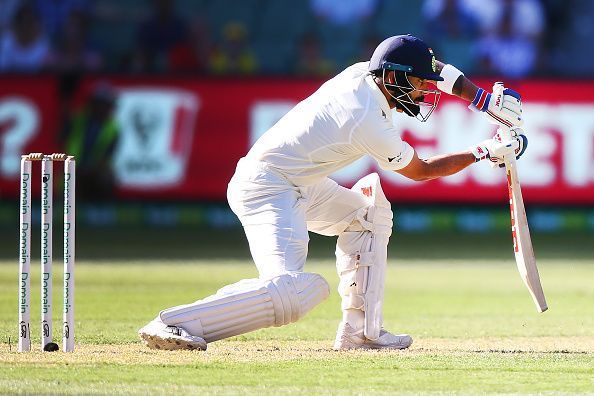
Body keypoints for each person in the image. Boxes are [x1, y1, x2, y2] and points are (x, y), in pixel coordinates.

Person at [139, 35, 526, 351]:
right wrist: (485, 150)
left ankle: (362, 333)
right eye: (419, 83)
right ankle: (175, 322)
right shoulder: (365, 117)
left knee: (368, 217)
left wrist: (483, 101)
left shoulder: (367, 72)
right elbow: (420, 171)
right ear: (394, 79)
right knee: (292, 291)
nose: (426, 89)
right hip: (267, 187)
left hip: (300, 182)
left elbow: (433, 68)